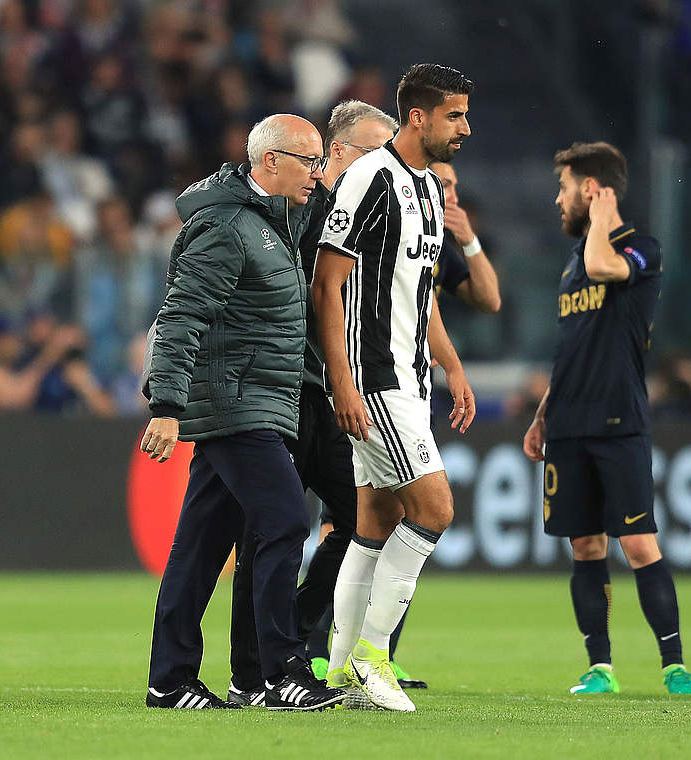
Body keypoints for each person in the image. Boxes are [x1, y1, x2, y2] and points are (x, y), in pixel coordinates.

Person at [142, 114, 345, 712]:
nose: (318, 174)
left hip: (257, 400)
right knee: (283, 522)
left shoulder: (273, 222)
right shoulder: (228, 227)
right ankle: (280, 670)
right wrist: (166, 404)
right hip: (236, 405)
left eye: (320, 161)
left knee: (201, 546)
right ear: (270, 162)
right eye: (308, 162)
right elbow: (182, 316)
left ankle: (170, 679)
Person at [226, 100, 404, 707]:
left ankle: (294, 643)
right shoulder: (306, 211)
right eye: (376, 152)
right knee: (270, 528)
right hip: (287, 389)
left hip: (322, 388)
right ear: (339, 156)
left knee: (355, 519)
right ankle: (255, 671)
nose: (388, 164)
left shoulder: (357, 211)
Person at [315, 63, 477, 712]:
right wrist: (344, 384)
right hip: (374, 380)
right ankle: (371, 658)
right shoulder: (368, 178)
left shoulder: (429, 192)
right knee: (435, 509)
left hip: (411, 378)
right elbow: (327, 287)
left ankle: (337, 670)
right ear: (418, 116)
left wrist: (451, 364)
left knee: (375, 521)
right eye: (454, 115)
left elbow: (422, 292)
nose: (464, 127)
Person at [522, 142, 691, 695]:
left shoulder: (639, 248)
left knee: (640, 544)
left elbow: (606, 265)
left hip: (618, 420)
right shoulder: (573, 263)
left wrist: (602, 218)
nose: (558, 200)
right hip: (569, 425)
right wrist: (541, 414)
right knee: (585, 546)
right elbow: (573, 347)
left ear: (593, 190)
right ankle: (600, 667)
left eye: (566, 188)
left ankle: (674, 665)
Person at [428, 161, 501, 313]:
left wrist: (470, 242)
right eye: (445, 186)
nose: (454, 199)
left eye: (454, 188)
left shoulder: (440, 247)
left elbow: (491, 301)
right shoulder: (398, 239)